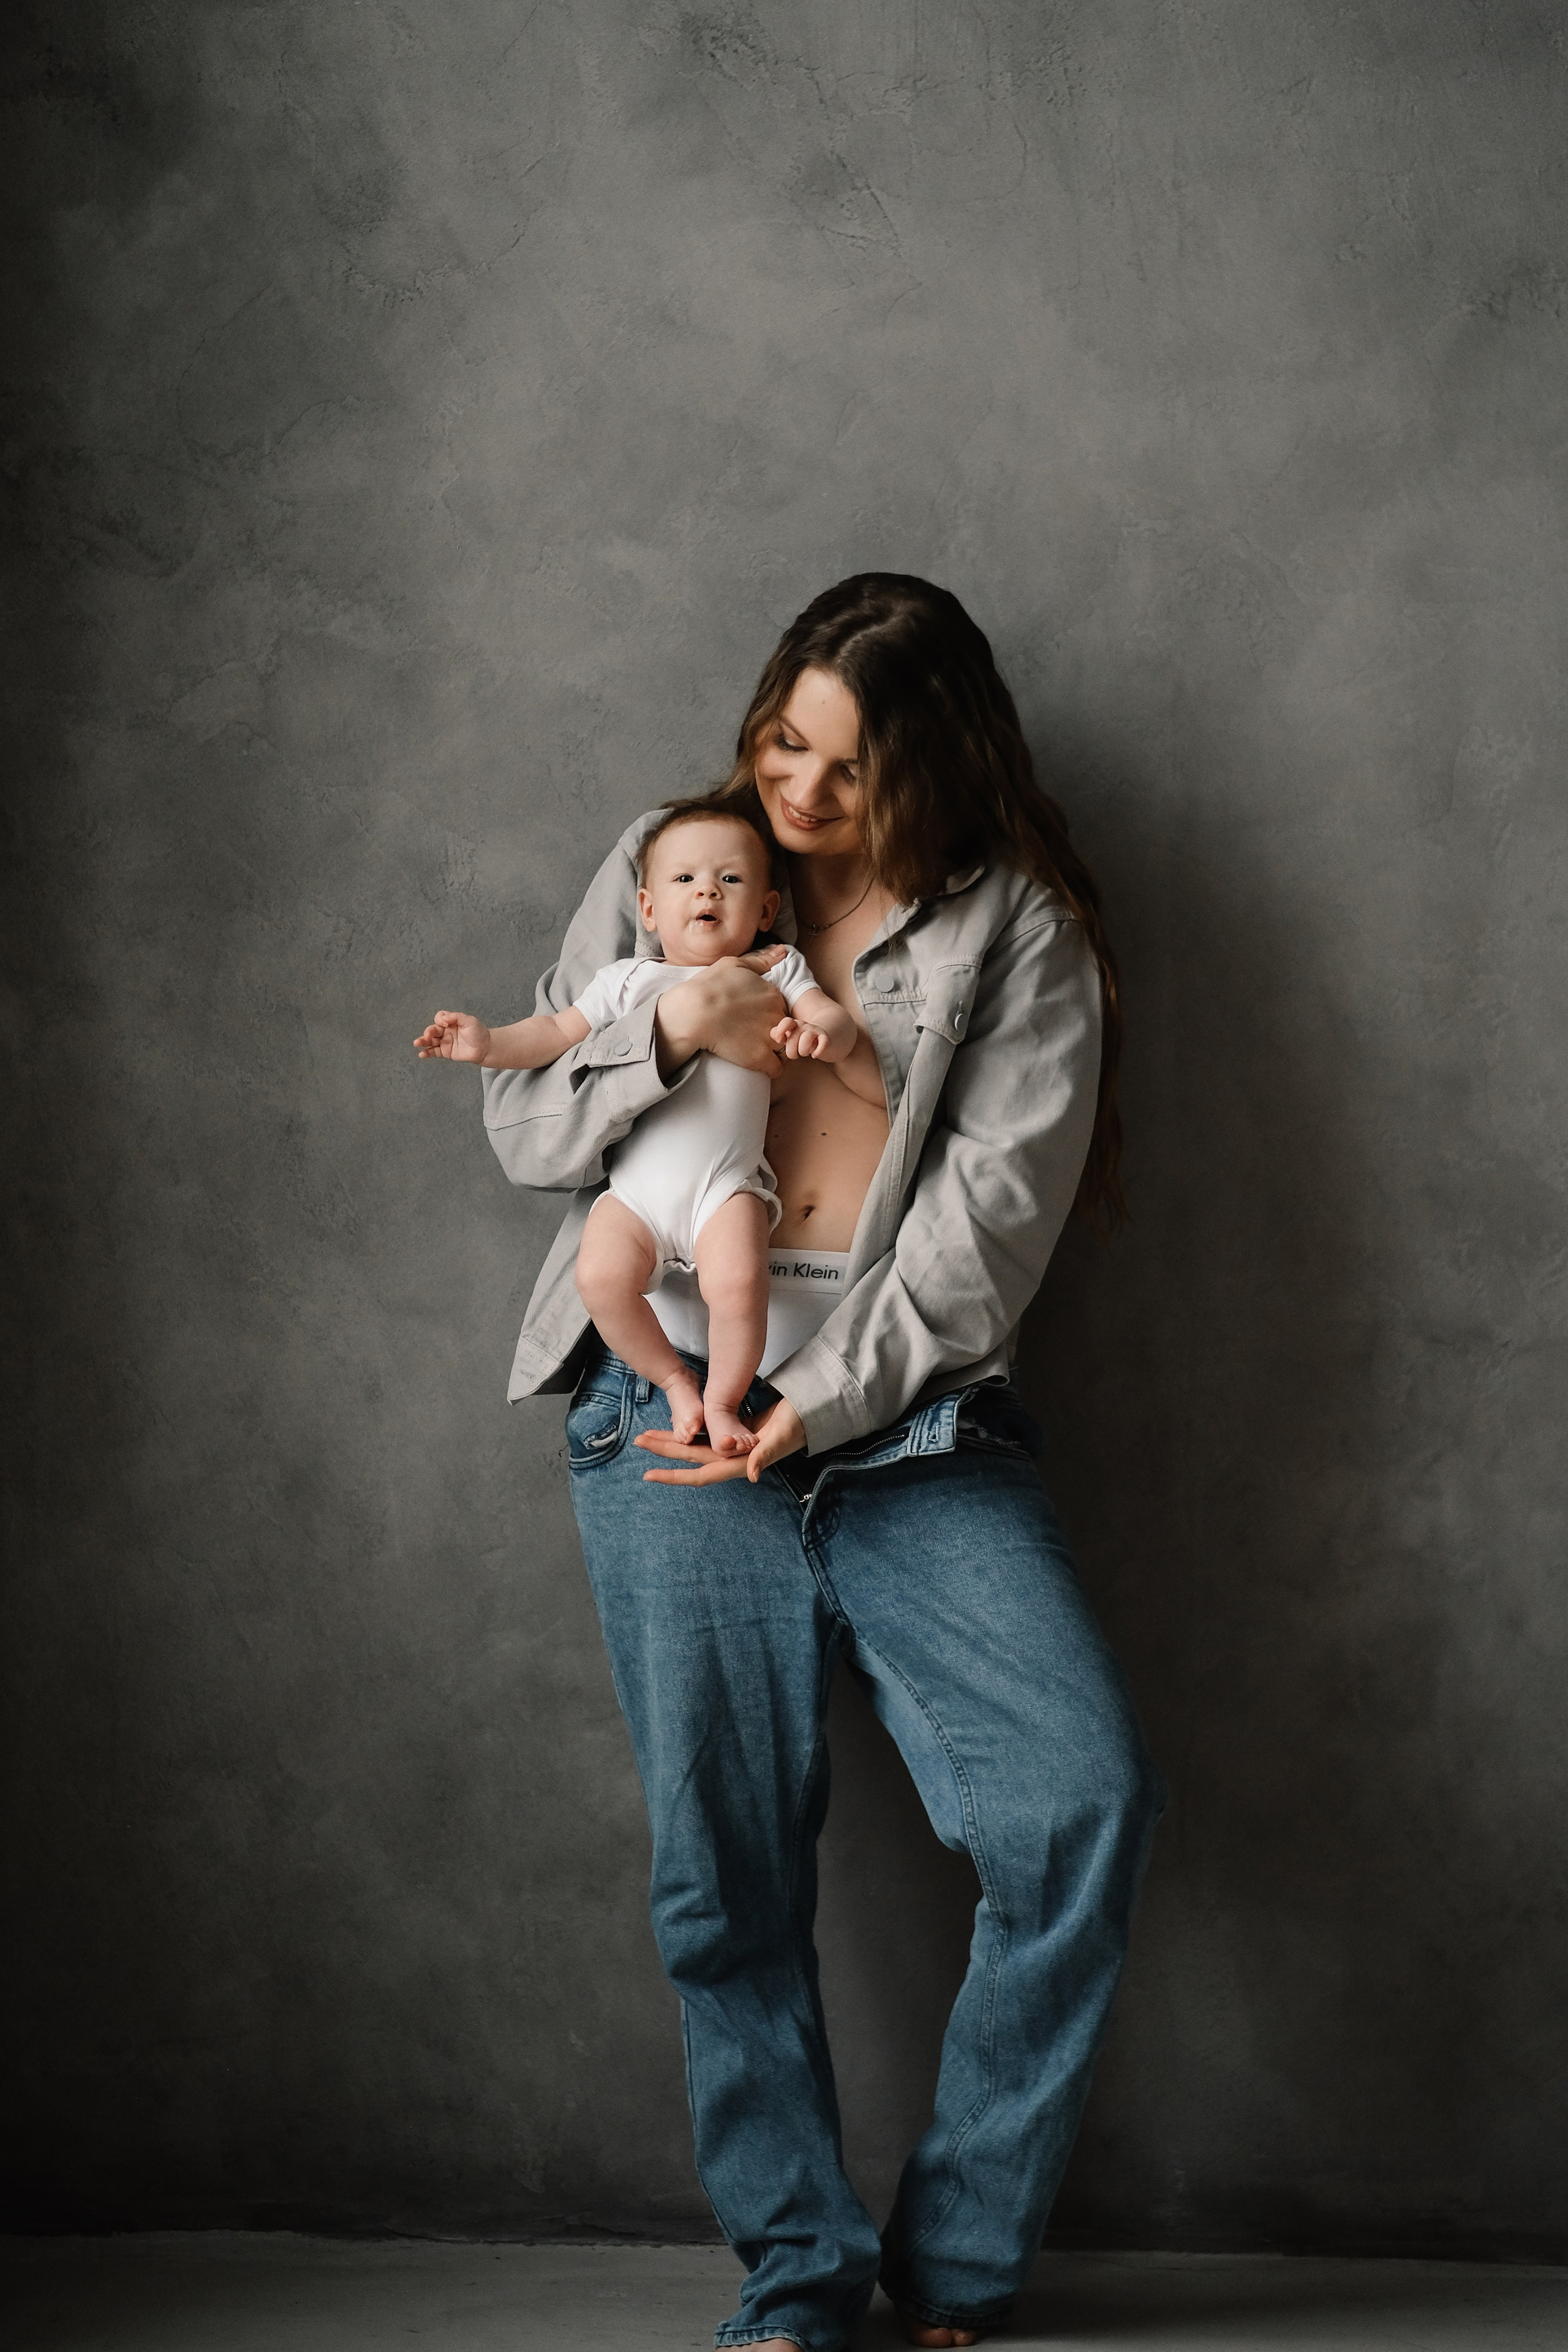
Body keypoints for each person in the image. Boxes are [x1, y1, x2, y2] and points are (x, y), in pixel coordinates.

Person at [478, 575, 1164, 2352]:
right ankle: (798, 2280)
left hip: (909, 1421)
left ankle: (952, 2259)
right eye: (784, 736)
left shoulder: (1018, 936)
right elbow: (524, 1116)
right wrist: (664, 1026)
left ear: (933, 768)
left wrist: (820, 1400)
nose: (794, 791)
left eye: (846, 770)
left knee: (1076, 1800)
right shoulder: (680, 855)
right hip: (660, 1408)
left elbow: (986, 1232)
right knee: (725, 1870)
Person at [415, 804, 856, 1450]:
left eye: (730, 881)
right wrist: (487, 1044)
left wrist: (819, 1033)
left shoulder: (776, 968)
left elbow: (835, 1019)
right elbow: (552, 1036)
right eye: (685, 880)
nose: (706, 890)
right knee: (597, 1279)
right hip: (635, 1199)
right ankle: (675, 1380)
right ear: (647, 910)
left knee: (739, 1284)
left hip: (723, 1189)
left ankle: (724, 1401)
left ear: (764, 911)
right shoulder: (626, 981)